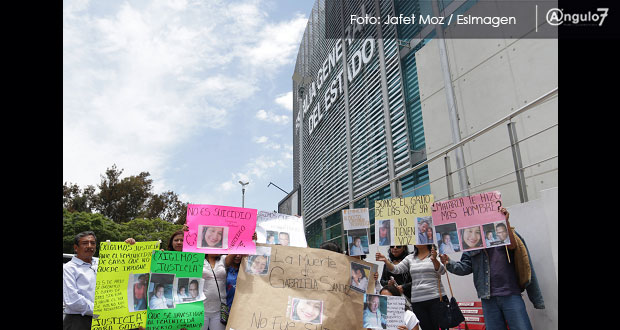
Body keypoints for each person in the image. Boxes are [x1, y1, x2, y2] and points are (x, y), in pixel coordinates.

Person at [440, 208, 544, 330]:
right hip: (488, 298)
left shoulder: (504, 234)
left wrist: (506, 223)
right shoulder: (473, 244)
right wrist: (448, 262)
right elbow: (465, 267)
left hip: (511, 294)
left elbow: (514, 247)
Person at [376, 244, 448, 330]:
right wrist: (385, 260)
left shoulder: (436, 254)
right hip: (418, 301)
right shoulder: (410, 257)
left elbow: (442, 271)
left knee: (440, 328)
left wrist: (434, 259)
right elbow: (396, 269)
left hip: (436, 298)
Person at [63, 231, 98, 330]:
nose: (89, 246)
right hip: (78, 322)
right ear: (76, 247)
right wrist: (99, 310)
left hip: (102, 321)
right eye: (85, 243)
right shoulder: (69, 268)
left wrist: (129, 247)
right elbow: (73, 301)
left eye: (93, 243)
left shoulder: (101, 264)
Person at [202, 253, 228, 330]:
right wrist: (165, 256)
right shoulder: (197, 258)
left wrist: (251, 242)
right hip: (200, 308)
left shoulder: (224, 258)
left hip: (219, 309)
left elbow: (238, 250)